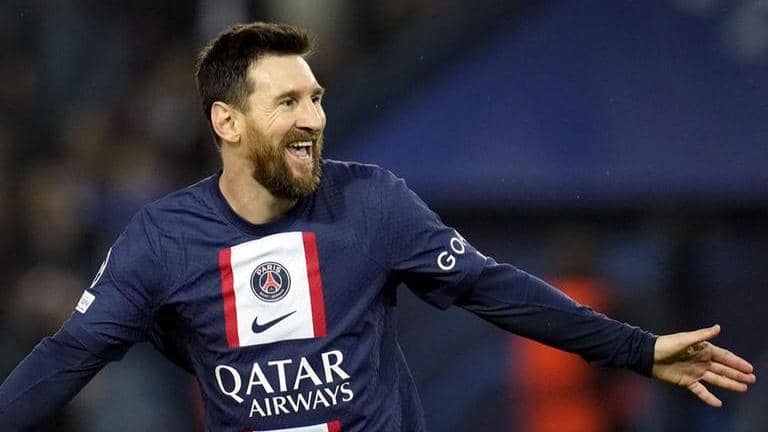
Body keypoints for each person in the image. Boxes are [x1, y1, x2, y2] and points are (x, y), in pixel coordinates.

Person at [0, 22, 756, 432]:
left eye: (316, 98)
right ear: (226, 122)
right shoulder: (164, 237)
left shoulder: (372, 203)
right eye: (288, 103)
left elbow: (493, 289)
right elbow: (70, 355)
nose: (313, 119)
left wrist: (636, 348)